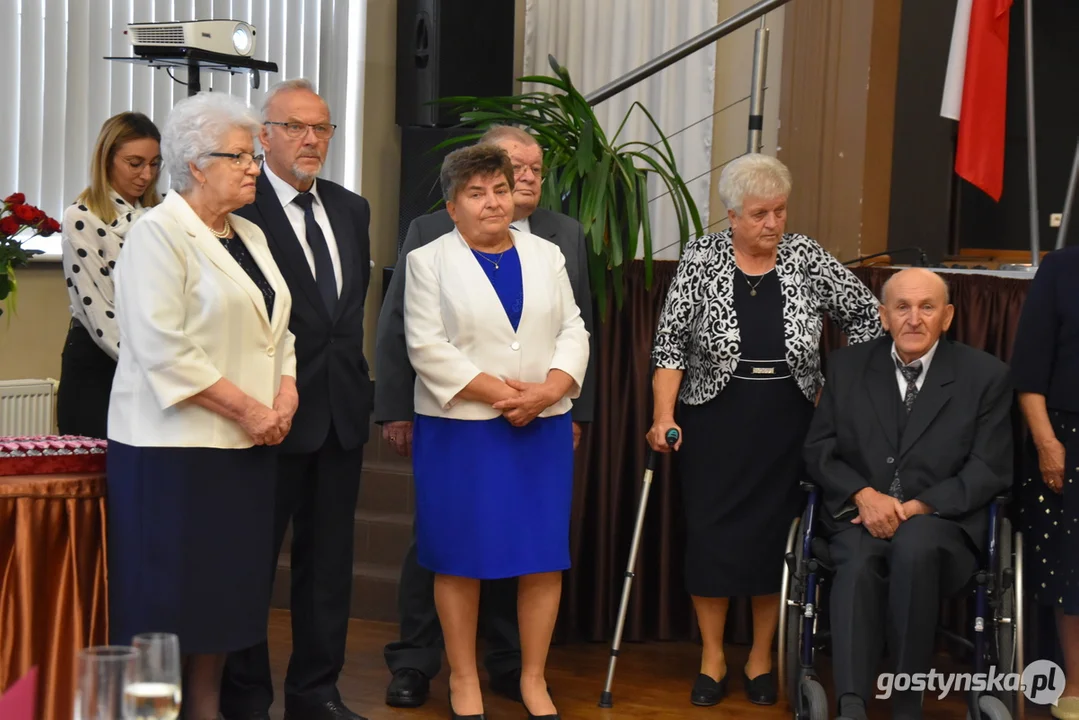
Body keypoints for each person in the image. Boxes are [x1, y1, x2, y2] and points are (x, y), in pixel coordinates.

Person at [647, 153, 883, 707]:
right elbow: (670, 344)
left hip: (789, 416)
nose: (772, 224)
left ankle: (759, 656)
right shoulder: (702, 258)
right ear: (731, 215)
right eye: (759, 214)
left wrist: (839, 388)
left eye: (779, 211)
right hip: (714, 415)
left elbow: (867, 316)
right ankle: (711, 656)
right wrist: (663, 415)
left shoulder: (804, 257)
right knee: (711, 536)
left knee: (773, 539)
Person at [375, 124, 595, 709]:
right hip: (463, 432)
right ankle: (465, 678)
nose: (494, 200)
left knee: (541, 557)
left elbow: (574, 327)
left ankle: (532, 677)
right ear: (451, 206)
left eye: (500, 188)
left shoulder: (548, 254)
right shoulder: (427, 261)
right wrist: (512, 395)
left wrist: (549, 391)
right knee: (458, 557)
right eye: (477, 192)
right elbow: (426, 348)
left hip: (541, 427)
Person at [106, 92, 297, 720]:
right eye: (240, 156)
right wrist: (248, 409)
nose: (254, 168)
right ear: (196, 163)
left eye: (254, 156)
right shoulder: (156, 235)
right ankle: (154, 713)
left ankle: (207, 707)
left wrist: (286, 392)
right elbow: (166, 348)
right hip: (173, 452)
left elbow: (279, 330)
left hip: (245, 447)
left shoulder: (250, 233)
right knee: (164, 601)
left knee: (225, 596)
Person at [219, 79, 373, 720]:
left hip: (341, 414)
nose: (311, 140)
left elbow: (345, 318)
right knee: (250, 564)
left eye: (323, 128)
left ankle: (317, 694)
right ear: (264, 134)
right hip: (266, 416)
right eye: (295, 127)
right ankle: (245, 697)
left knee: (329, 566)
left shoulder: (351, 207)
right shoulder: (237, 212)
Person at [803, 268, 1014, 720]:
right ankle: (853, 704)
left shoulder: (985, 376)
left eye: (927, 307)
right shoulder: (847, 367)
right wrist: (862, 493)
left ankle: (906, 703)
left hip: (943, 525)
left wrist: (919, 506)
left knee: (916, 545)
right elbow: (819, 449)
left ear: (948, 316)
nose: (913, 319)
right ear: (883, 316)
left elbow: (989, 468)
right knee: (856, 562)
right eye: (902, 307)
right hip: (861, 517)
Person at [57, 111, 162, 439]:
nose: (146, 174)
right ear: (106, 159)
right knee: (94, 479)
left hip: (152, 358)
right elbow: (101, 316)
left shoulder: (161, 217)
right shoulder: (81, 218)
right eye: (135, 163)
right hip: (101, 364)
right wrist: (159, 369)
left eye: (155, 163)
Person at [1010, 247, 1079, 719]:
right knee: (1071, 565)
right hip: (1067, 437)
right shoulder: (1061, 268)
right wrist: (1046, 443)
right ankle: (1076, 682)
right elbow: (1030, 370)